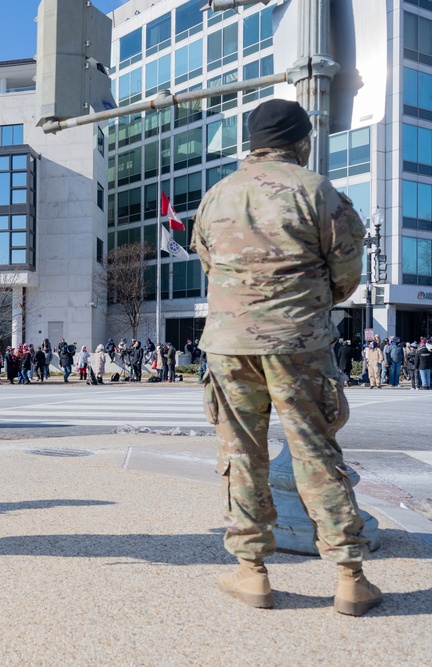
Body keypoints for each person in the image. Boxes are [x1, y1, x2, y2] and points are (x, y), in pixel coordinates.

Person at [193, 99, 379, 616]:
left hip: (229, 346)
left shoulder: (215, 197)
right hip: (298, 343)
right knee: (316, 453)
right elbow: (345, 276)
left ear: (252, 144)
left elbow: (209, 264)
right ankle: (349, 577)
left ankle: (252, 573)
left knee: (241, 456)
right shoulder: (318, 191)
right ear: (302, 141)